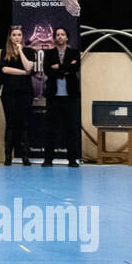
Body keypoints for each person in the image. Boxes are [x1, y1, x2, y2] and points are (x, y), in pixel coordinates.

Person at [43, 26, 82, 167]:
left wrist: (58, 68)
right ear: (54, 38)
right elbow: (47, 71)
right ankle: (48, 160)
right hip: (54, 97)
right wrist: (65, 69)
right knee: (50, 129)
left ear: (67, 37)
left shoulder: (74, 53)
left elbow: (74, 69)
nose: (60, 36)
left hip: (70, 97)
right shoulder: (49, 54)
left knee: (71, 128)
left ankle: (72, 160)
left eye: (62, 34)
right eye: (57, 34)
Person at [0, 24, 37, 166]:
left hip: (25, 93)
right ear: (10, 37)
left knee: (24, 124)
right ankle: (8, 156)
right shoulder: (5, 52)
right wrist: (23, 73)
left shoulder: (29, 51)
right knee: (11, 124)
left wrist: (20, 51)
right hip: (9, 93)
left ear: (22, 37)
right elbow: (5, 69)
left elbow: (29, 67)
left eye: (19, 35)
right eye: (14, 35)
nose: (16, 37)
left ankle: (25, 156)